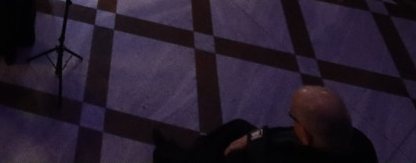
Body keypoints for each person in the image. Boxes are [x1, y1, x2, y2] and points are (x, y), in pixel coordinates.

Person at [153, 85, 377, 163]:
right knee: (238, 128)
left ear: (307, 137)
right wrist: (251, 137)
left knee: (213, 152)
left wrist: (247, 144)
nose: (291, 120)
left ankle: (172, 156)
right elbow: (283, 134)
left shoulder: (278, 157)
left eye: (293, 117)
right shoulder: (360, 144)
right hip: (264, 147)